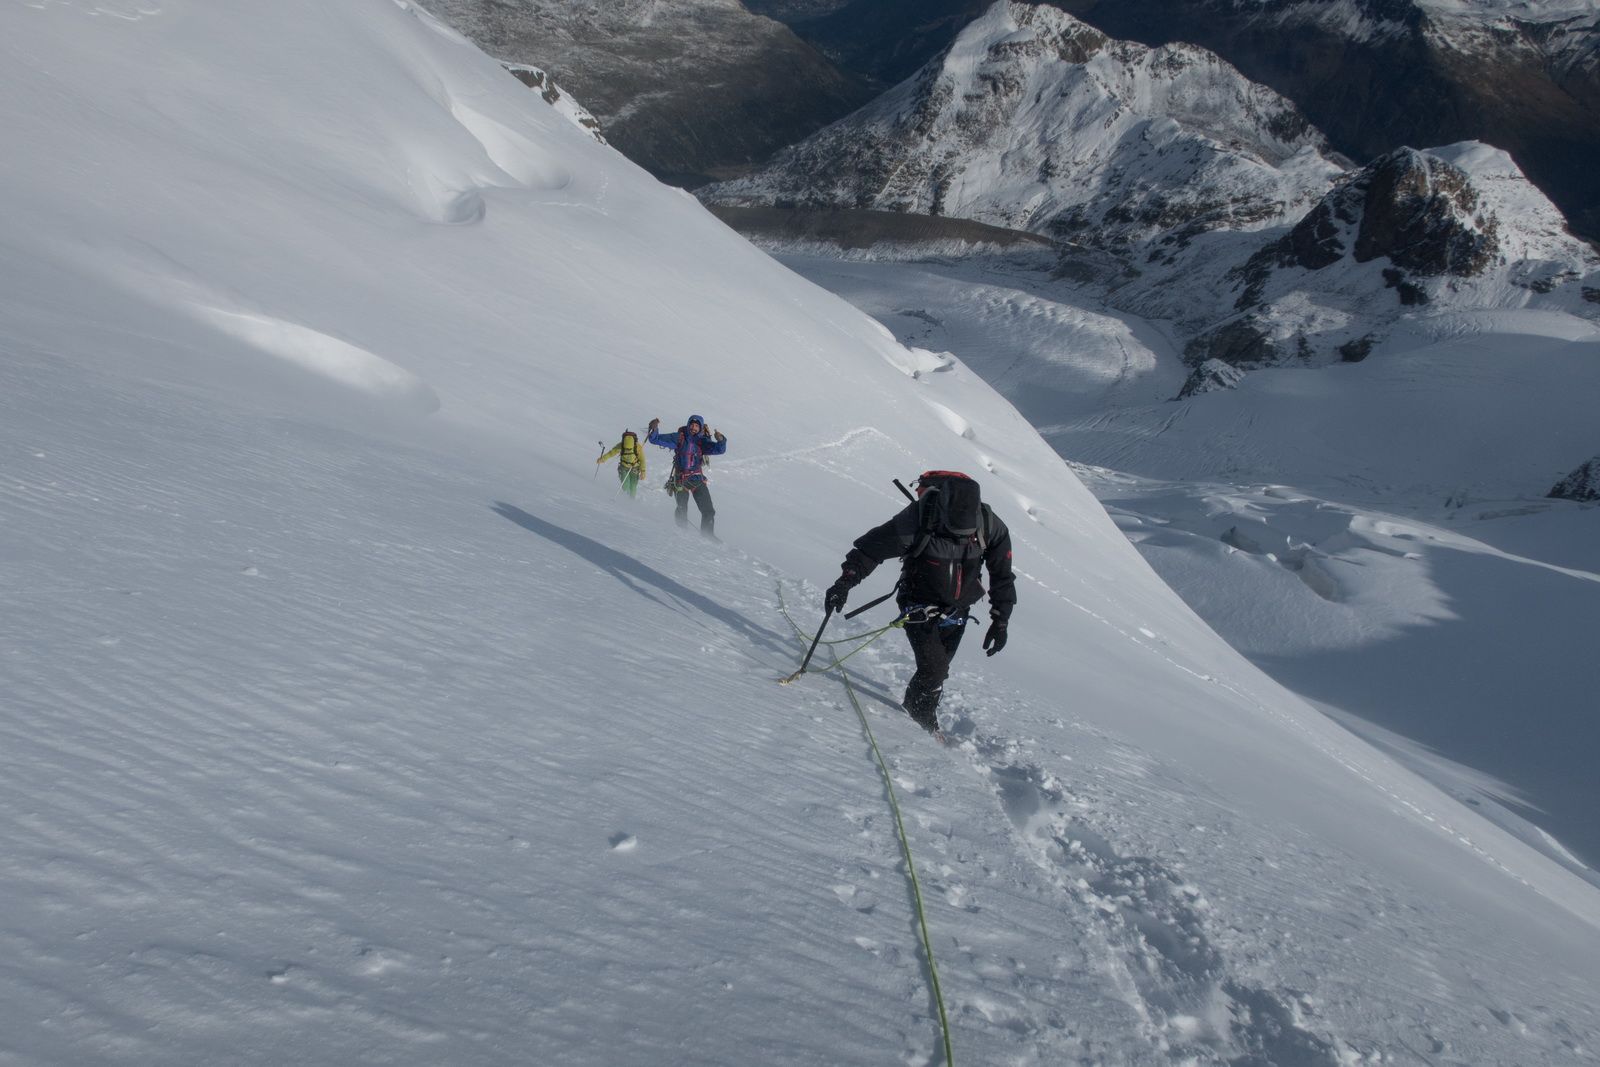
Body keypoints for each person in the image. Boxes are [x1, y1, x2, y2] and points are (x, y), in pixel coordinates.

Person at [823, 471, 1015, 733]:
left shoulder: (989, 525)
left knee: (938, 670)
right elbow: (871, 550)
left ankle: (918, 712)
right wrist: (844, 583)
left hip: (958, 610)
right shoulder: (923, 519)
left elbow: (1002, 575)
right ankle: (922, 725)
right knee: (934, 670)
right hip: (918, 607)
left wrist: (1001, 620)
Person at [646, 415, 727, 536]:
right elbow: (655, 439)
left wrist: (721, 440)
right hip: (680, 480)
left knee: (708, 511)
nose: (694, 428)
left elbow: (719, 450)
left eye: (696, 426)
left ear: (700, 428)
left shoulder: (702, 442)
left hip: (697, 479)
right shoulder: (679, 437)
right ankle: (682, 535)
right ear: (688, 425)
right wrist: (653, 429)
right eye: (692, 425)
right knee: (682, 509)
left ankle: (708, 536)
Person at [596, 429, 647, 497]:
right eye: (626, 448)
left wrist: (643, 471)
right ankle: (624, 499)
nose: (627, 450)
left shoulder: (638, 447)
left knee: (633, 486)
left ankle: (631, 501)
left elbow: (642, 460)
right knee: (625, 485)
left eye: (629, 449)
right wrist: (603, 459)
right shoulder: (621, 445)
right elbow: (611, 453)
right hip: (623, 467)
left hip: (635, 468)